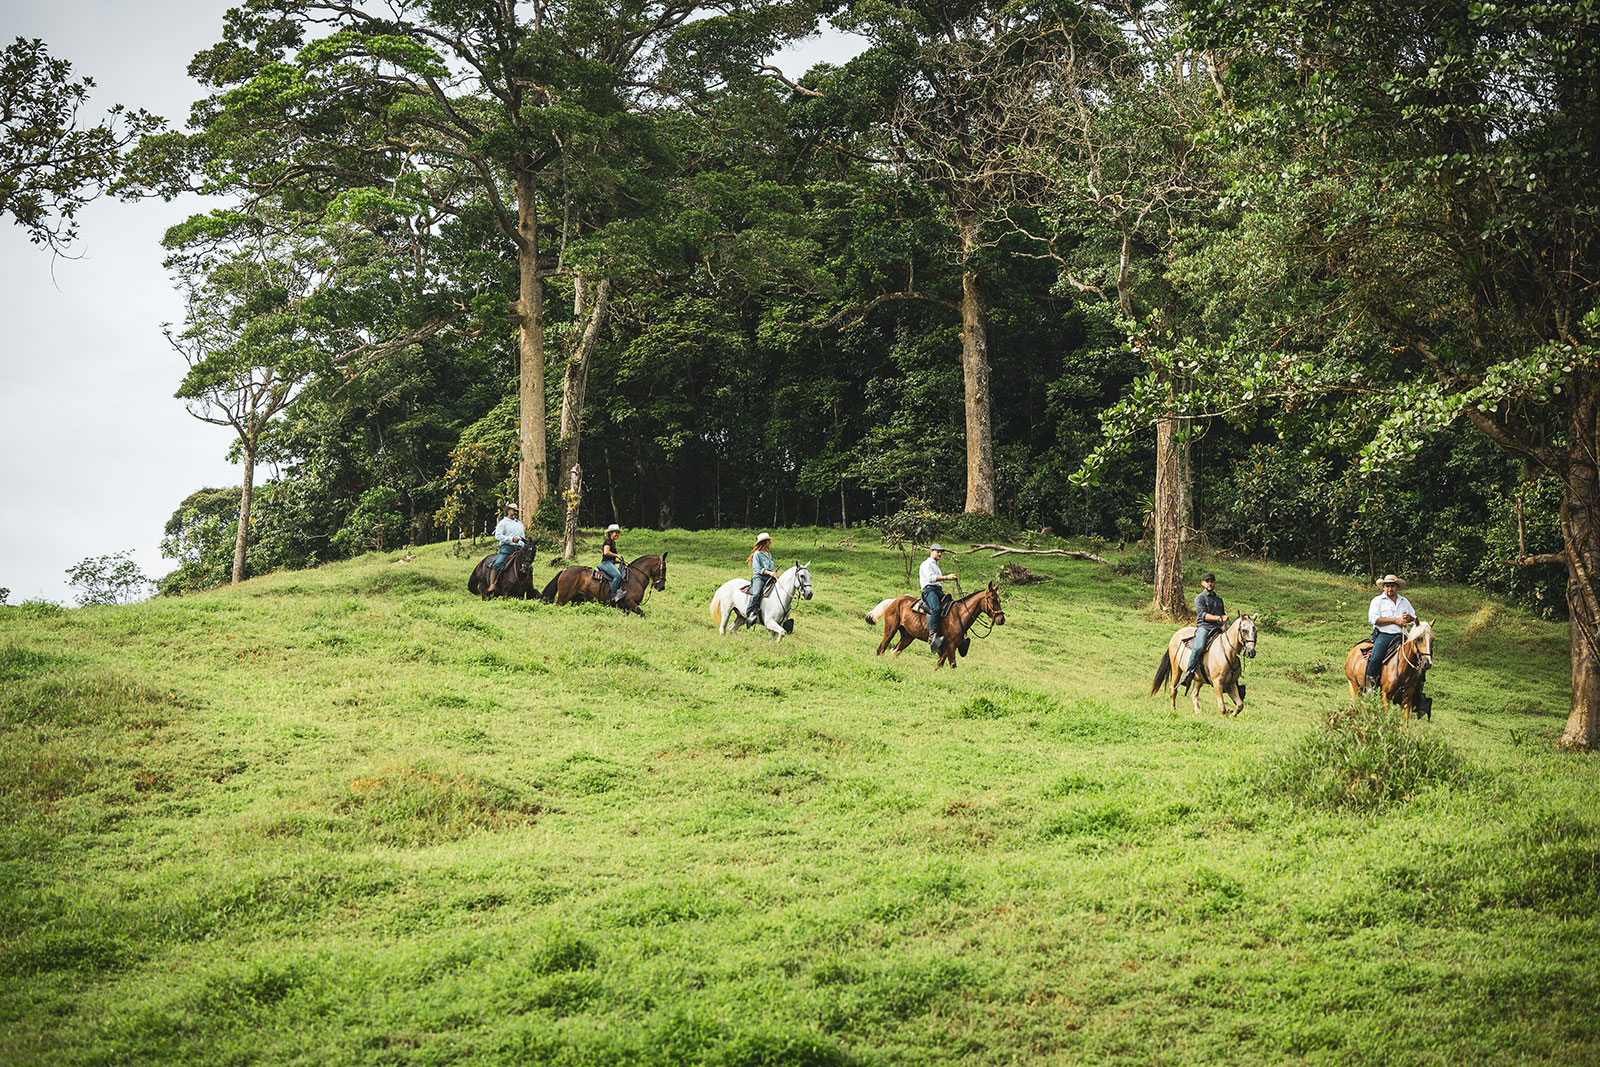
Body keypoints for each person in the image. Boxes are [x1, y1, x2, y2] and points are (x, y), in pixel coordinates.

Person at [1366, 573, 1417, 689]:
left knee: (1418, 658)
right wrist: (1395, 621)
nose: (1390, 589)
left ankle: (1417, 689)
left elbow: (1415, 620)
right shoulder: (1377, 601)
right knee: (1375, 658)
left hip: (1403, 636)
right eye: (1387, 586)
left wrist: (1410, 618)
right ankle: (1370, 687)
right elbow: (1375, 619)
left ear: (1397, 588)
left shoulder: (1404, 601)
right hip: (1385, 635)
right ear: (1383, 587)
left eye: (1392, 586)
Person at [1178, 572, 1227, 688]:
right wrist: (1219, 618)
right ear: (1203, 583)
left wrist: (1224, 625)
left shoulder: (1219, 600)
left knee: (1231, 647)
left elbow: (1223, 615)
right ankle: (1189, 673)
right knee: (1199, 647)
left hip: (1218, 629)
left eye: (1211, 581)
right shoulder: (1199, 598)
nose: (1209, 583)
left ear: (1215, 583)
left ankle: (1232, 677)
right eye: (1207, 581)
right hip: (1204, 627)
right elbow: (1203, 615)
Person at [919, 543, 957, 654]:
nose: (940, 554)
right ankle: (932, 634)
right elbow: (930, 579)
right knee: (936, 608)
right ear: (931, 551)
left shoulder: (936, 565)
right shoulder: (926, 564)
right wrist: (947, 577)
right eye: (937, 551)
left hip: (938, 591)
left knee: (952, 607)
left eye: (941, 552)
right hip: (930, 590)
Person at [485, 503, 526, 595]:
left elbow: (522, 536)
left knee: (528, 566)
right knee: (498, 563)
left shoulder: (519, 524)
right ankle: (492, 584)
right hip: (507, 548)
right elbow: (498, 536)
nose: (515, 512)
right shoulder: (503, 523)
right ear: (508, 511)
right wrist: (511, 539)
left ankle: (529, 586)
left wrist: (524, 544)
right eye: (513, 510)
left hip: (519, 548)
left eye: (516, 511)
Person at [746, 533, 776, 624]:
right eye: (768, 541)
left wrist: (773, 574)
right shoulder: (757, 554)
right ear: (764, 542)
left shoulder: (769, 554)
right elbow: (758, 569)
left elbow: (770, 567)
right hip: (759, 577)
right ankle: (749, 613)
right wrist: (770, 573)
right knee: (756, 594)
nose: (770, 542)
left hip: (769, 577)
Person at [598, 523, 627, 604]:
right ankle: (613, 595)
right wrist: (617, 555)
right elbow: (606, 552)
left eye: (618, 533)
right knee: (618, 575)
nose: (617, 534)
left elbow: (610, 558)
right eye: (615, 532)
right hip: (605, 564)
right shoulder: (608, 541)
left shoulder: (613, 542)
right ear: (610, 533)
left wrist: (619, 562)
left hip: (610, 563)